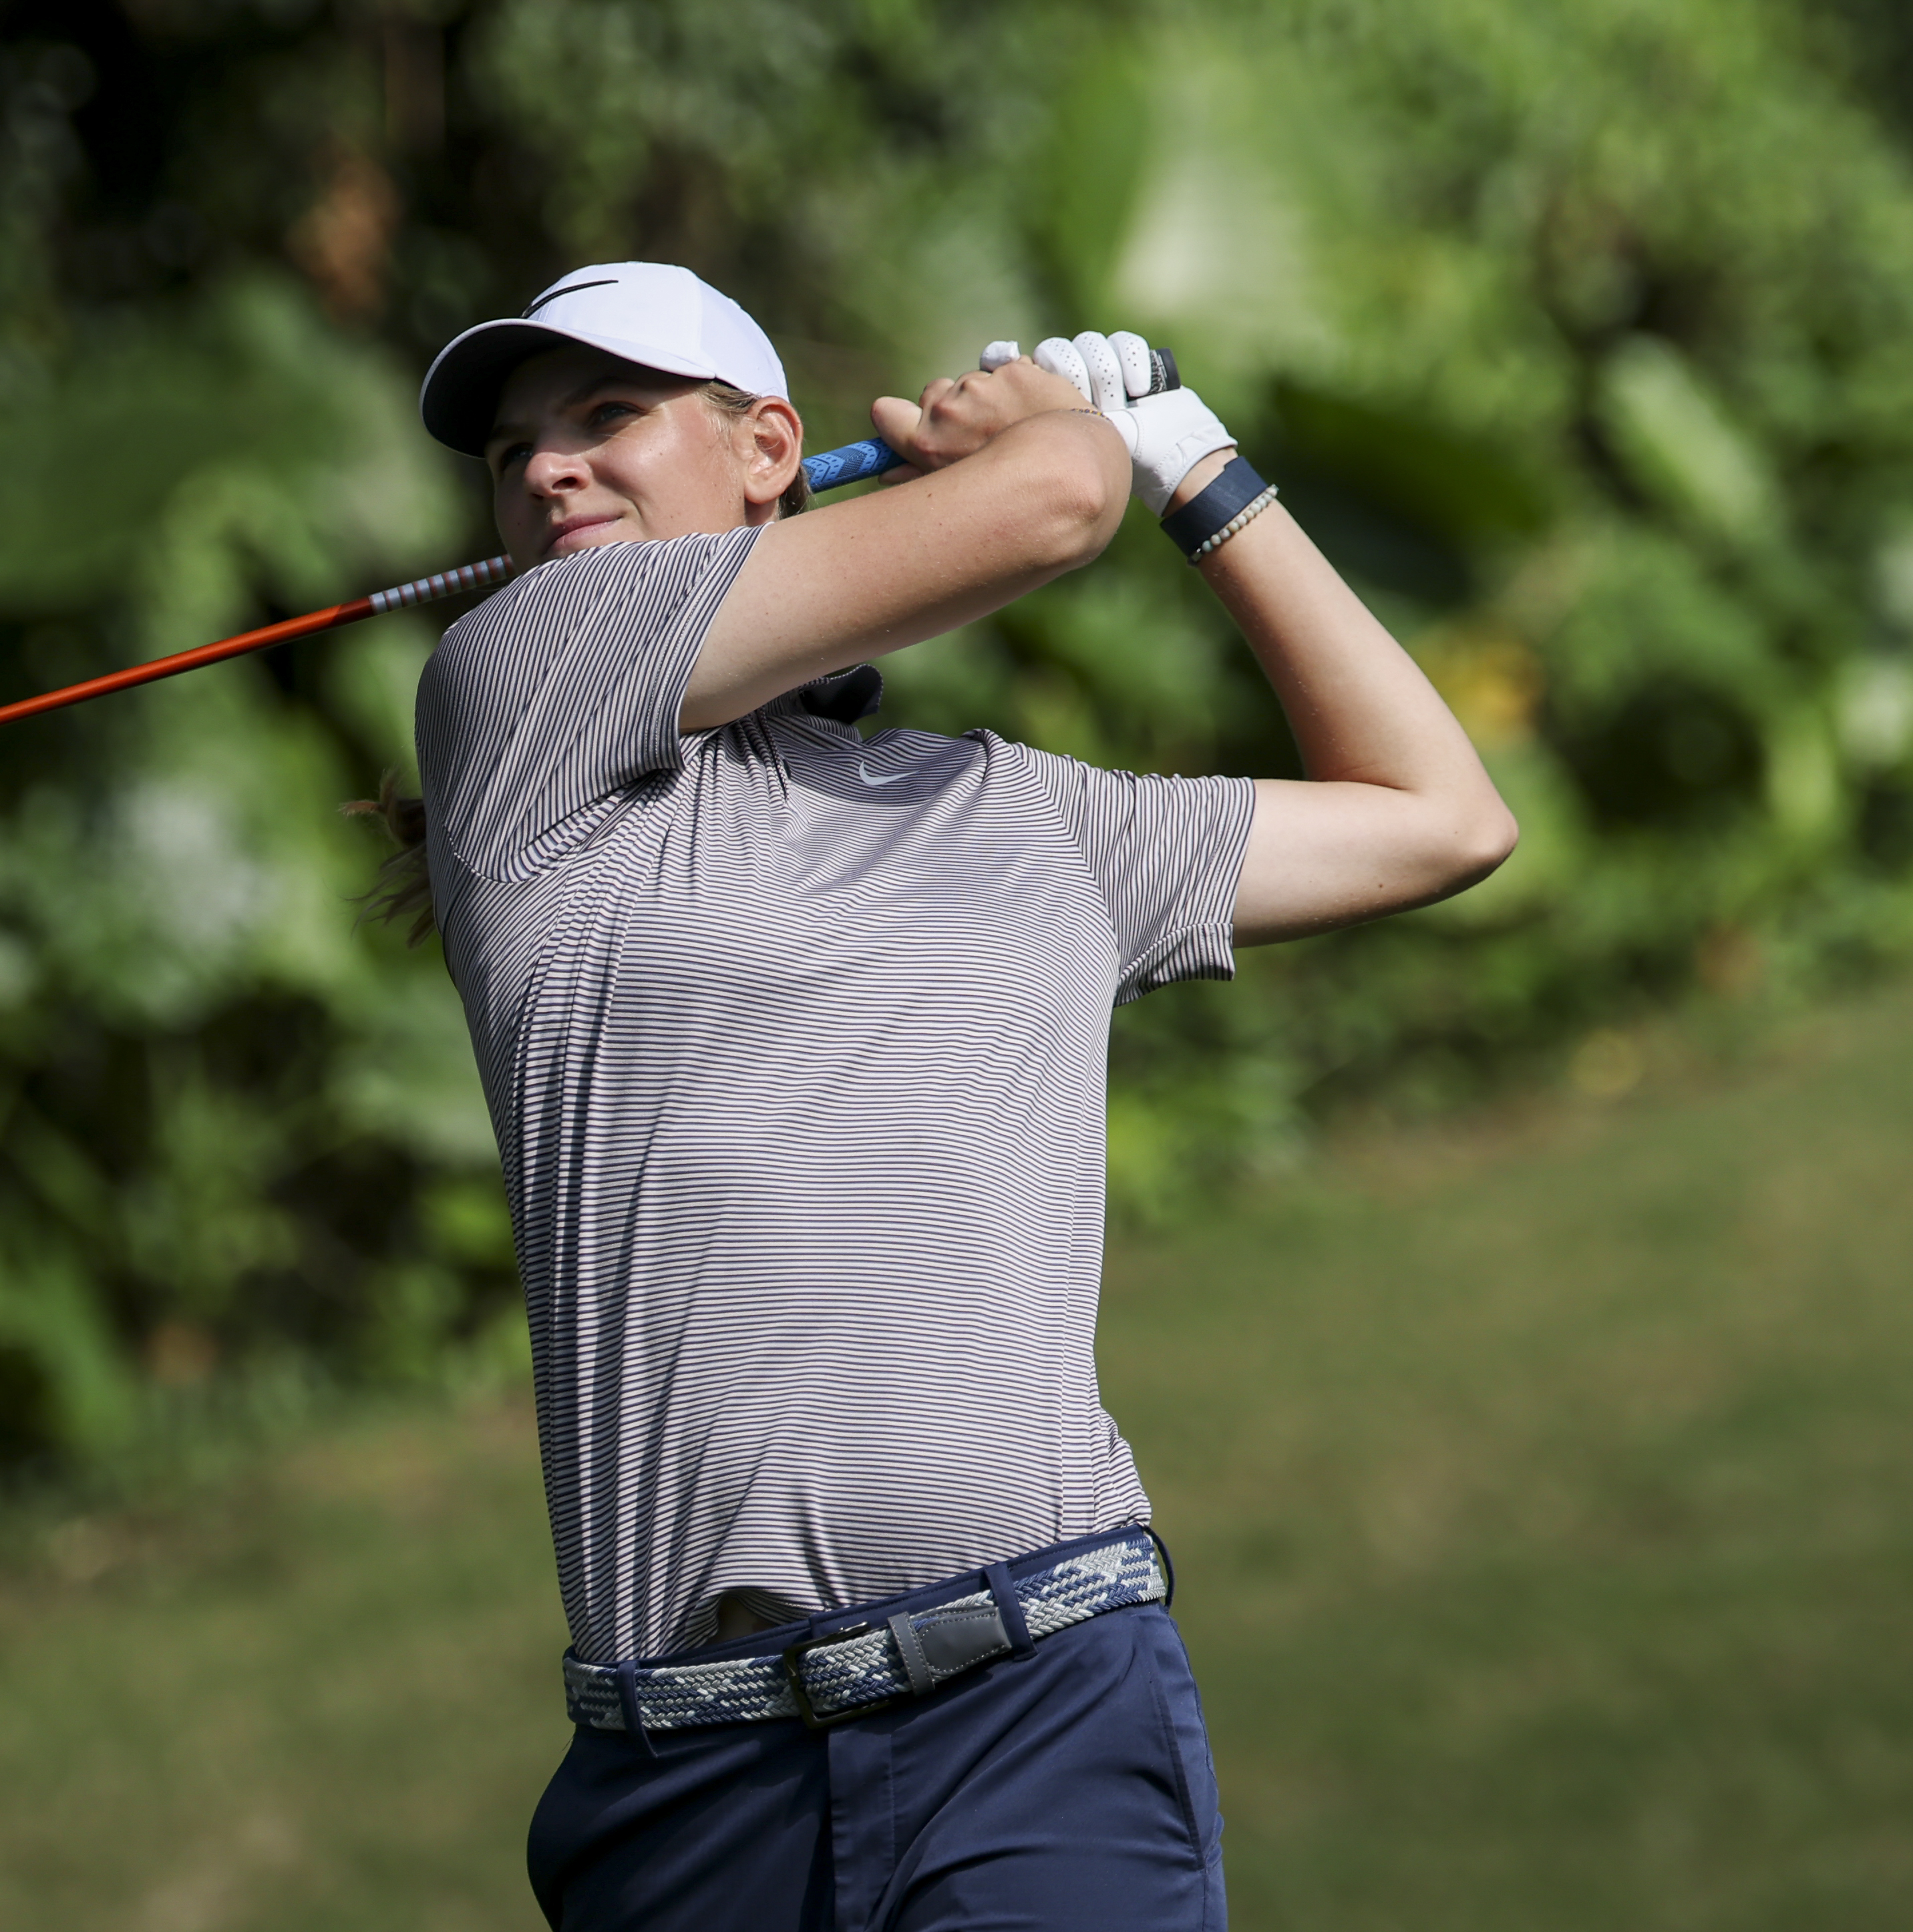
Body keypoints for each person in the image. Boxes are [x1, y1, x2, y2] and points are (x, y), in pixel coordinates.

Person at [391, 262, 1517, 1931]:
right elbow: (1054, 502)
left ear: (767, 446)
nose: (548, 469)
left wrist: (1196, 467)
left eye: (608, 417)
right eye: (512, 451)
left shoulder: (1023, 818)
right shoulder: (512, 701)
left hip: (1041, 1700)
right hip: (693, 1790)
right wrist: (1066, 432)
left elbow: (1438, 817)